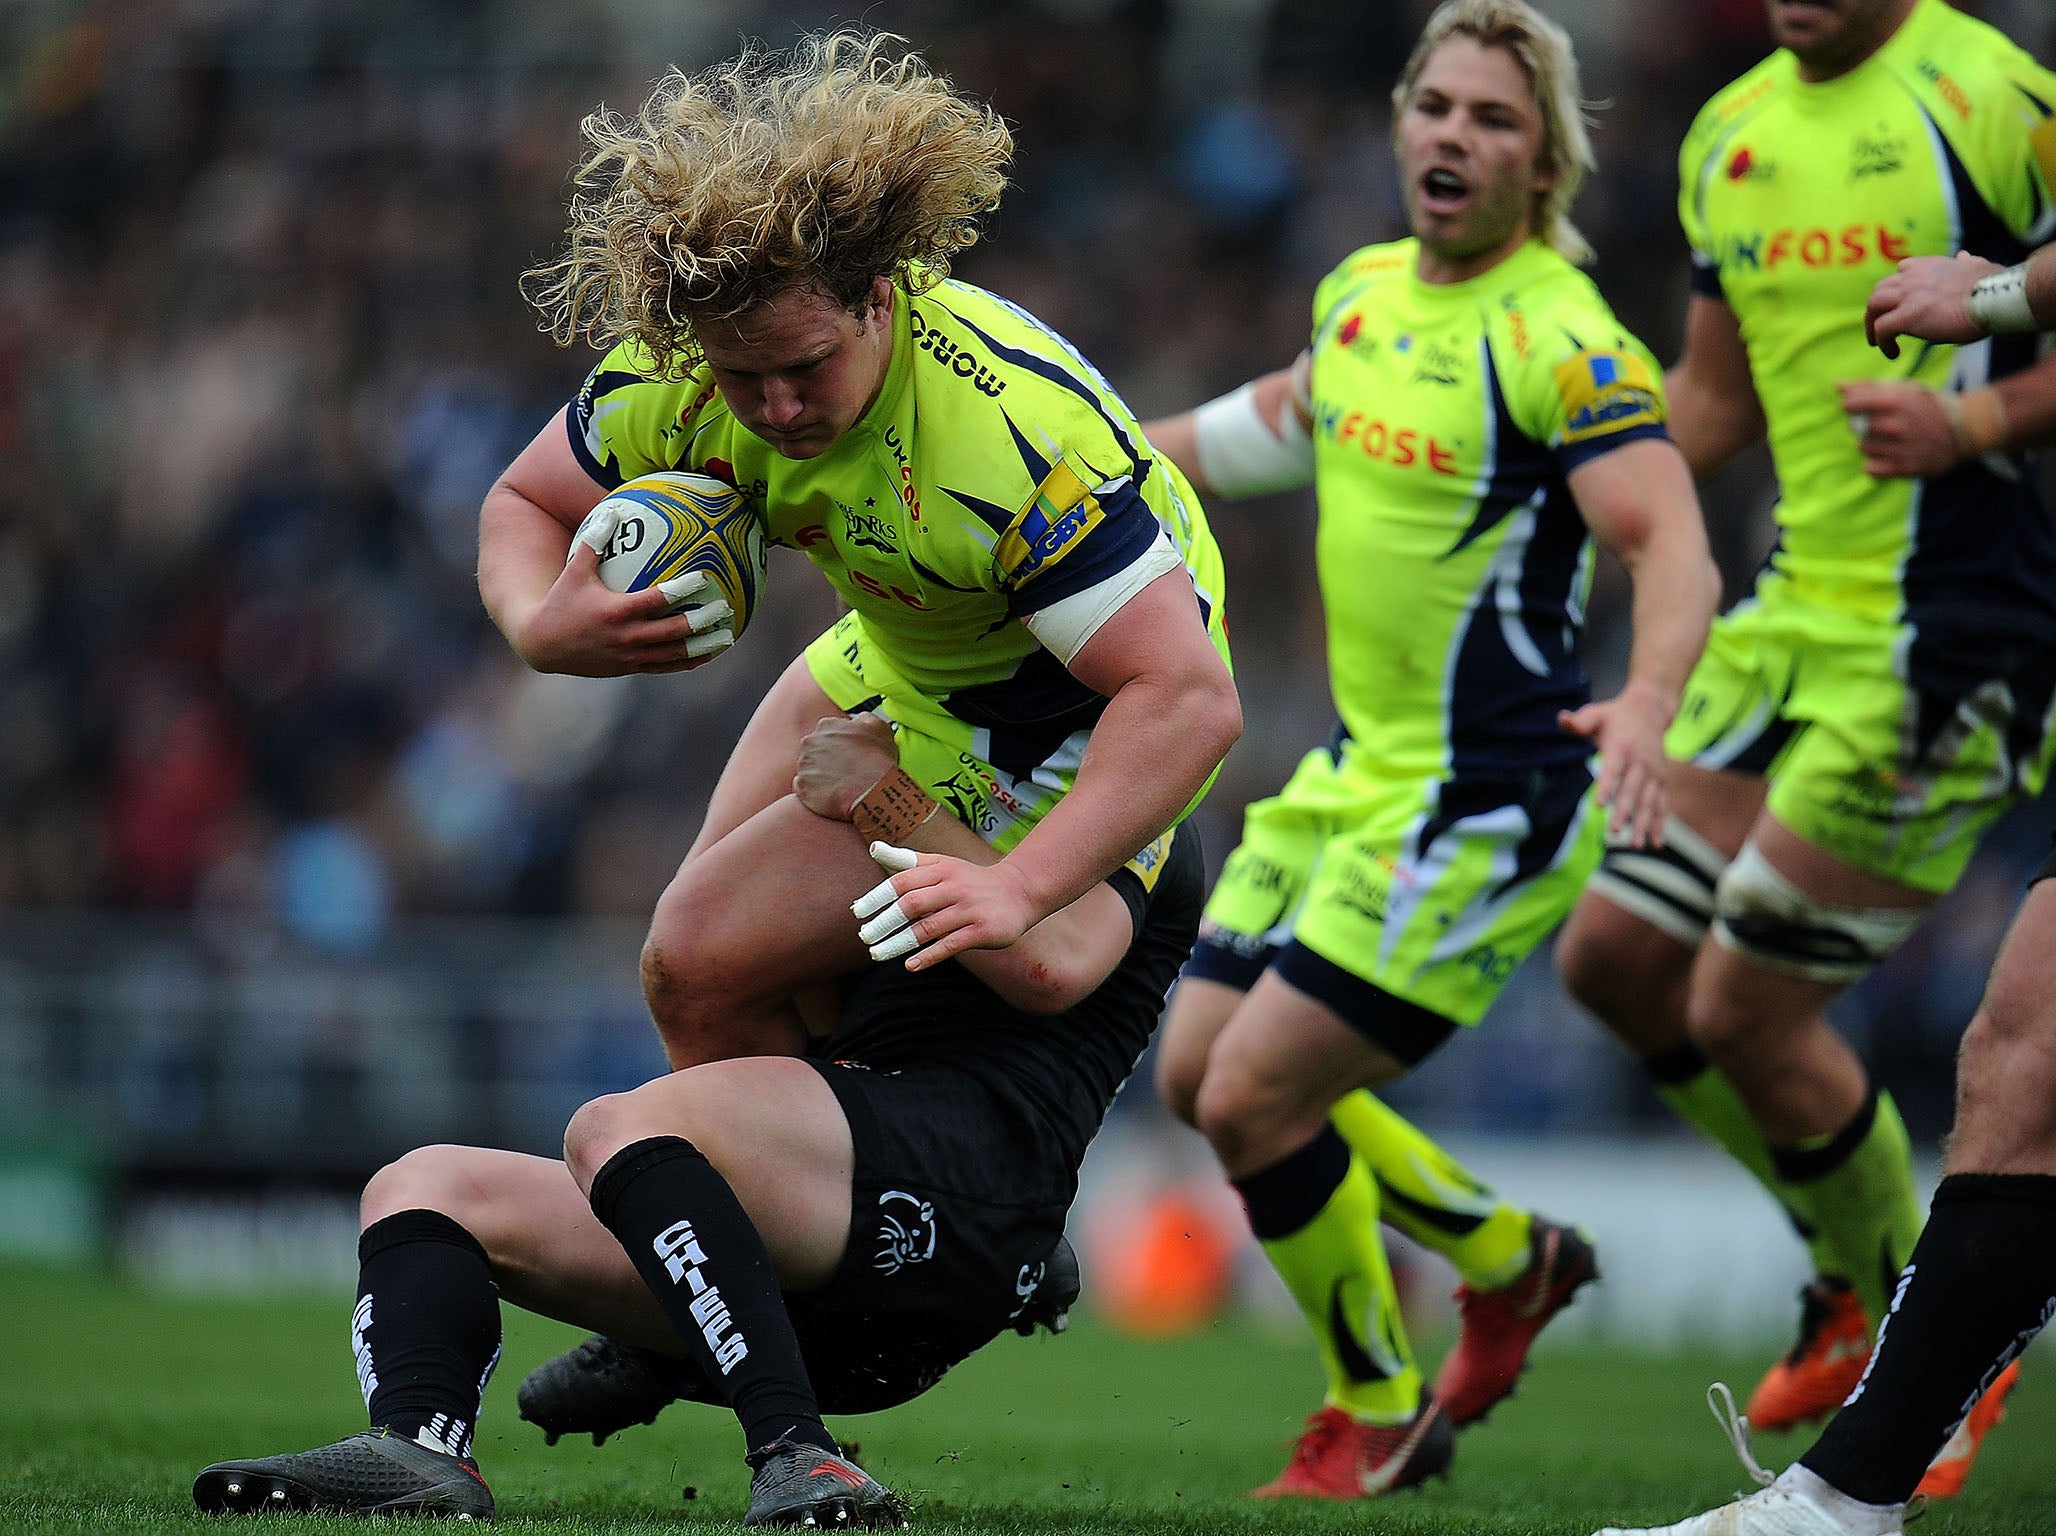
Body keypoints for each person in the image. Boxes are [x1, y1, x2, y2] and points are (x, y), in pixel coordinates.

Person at [1143, 0, 1719, 1499]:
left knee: (1260, 1096)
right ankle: (1507, 1255)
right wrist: (1104, 462)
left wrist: (1649, 700)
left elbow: (1670, 546)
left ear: (1546, 166)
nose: (1454, 136)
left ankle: (1382, 1411)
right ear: (1402, 123)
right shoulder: (1363, 290)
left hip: (1485, 800)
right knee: (1198, 1076)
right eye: (1437, 107)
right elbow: (1287, 419)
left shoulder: (1561, 340)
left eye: (1495, 119)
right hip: (1351, 778)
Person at [191, 710, 1206, 1526]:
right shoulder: (911, 720)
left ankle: (796, 1457)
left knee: (615, 1130)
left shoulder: (1141, 770)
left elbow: (1050, 958)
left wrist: (879, 794)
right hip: (824, 1204)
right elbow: (727, 957)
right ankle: (419, 1449)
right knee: (420, 1187)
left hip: (971, 1190)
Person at [475, 29, 1239, 1072]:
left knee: (1034, 962)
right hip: (899, 644)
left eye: (806, 366)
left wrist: (1010, 885)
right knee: (693, 969)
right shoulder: (685, 373)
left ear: (878, 299)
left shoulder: (1007, 440)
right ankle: (812, 1200)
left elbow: (1189, 698)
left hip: (1070, 692)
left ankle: (911, 1192)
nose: (776, 406)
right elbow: (521, 500)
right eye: (745, 378)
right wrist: (538, 625)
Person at [1552, 0, 2056, 1473]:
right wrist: (1555, 476)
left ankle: (1923, 1342)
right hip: (1787, 617)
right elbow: (1712, 397)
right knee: (1612, 962)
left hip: (1947, 630)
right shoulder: (1732, 133)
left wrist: (1973, 424)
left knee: (1737, 1011)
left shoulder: (1995, 96)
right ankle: (1858, 1288)